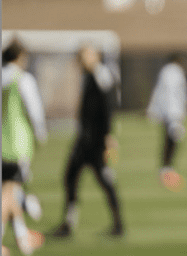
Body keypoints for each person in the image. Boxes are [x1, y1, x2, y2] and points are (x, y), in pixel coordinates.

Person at [49, 45, 125, 238]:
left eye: (84, 56)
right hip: (85, 139)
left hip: (96, 141)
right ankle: (68, 223)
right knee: (70, 178)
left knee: (104, 180)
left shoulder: (102, 76)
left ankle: (118, 225)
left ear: (95, 56)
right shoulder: (88, 76)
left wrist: (108, 136)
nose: (81, 60)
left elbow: (108, 108)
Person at [2, 39, 47, 254]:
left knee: (10, 191)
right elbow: (34, 109)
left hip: (2, 143)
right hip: (16, 144)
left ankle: (22, 237)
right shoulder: (22, 79)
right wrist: (40, 133)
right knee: (9, 192)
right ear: (20, 57)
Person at [146, 53, 187, 192]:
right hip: (172, 113)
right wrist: (174, 115)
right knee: (172, 141)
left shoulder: (168, 71)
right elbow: (171, 93)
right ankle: (166, 171)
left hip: (170, 113)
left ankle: (166, 170)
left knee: (170, 140)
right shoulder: (173, 72)